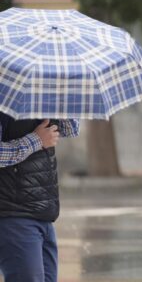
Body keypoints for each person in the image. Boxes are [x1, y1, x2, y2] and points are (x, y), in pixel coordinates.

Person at [0, 114, 80, 282]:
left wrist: (62, 100)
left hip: (44, 212)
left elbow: (70, 129)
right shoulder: (4, 97)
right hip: (13, 214)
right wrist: (36, 140)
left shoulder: (44, 95)